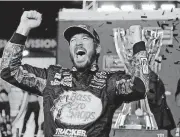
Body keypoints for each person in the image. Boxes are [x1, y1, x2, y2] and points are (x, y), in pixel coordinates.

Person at [0, 10, 148, 137]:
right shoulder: (51, 78)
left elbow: (140, 87)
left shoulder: (110, 82)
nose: (78, 43)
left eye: (85, 38)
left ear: (97, 48)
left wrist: (138, 44)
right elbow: (8, 70)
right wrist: (24, 27)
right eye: (73, 40)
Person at [148, 71, 176, 137]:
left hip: (158, 110)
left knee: (161, 129)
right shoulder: (157, 82)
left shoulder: (154, 83)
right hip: (160, 110)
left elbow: (154, 98)